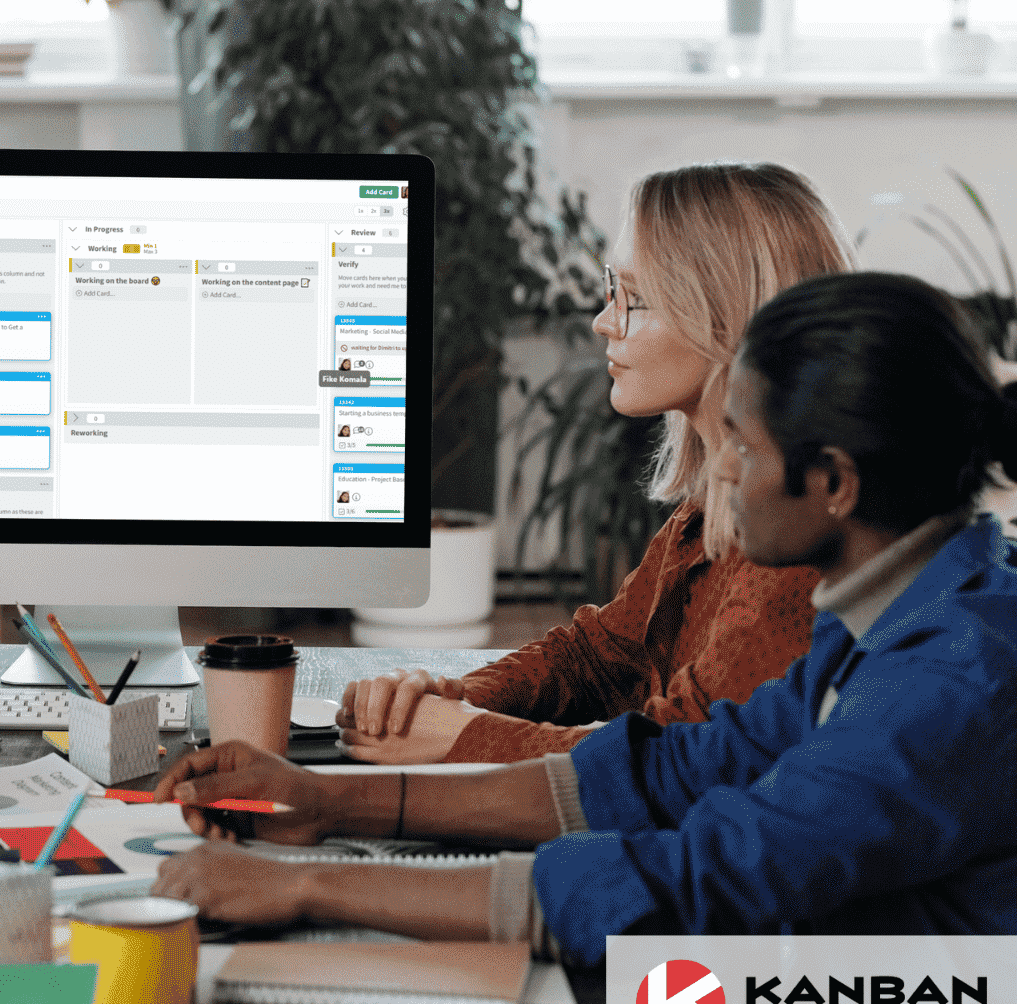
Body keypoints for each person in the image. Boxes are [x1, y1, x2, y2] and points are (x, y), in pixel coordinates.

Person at [152, 271, 1017, 964]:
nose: (722, 476)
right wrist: (327, 802)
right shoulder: (891, 612)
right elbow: (676, 771)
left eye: (744, 449)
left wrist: (308, 888)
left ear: (834, 482)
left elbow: (698, 880)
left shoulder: (951, 680)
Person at [337, 162, 850, 765]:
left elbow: (682, 753)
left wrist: (459, 736)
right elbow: (599, 655)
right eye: (613, 290)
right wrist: (455, 695)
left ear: (727, 319)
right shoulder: (709, 508)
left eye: (634, 299)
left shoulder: (793, 542)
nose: (604, 321)